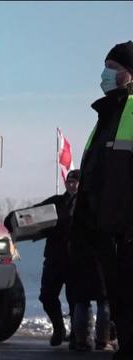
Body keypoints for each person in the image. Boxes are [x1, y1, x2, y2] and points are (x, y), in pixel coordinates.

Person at [70, 41, 133, 360]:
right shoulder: (106, 115)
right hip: (106, 233)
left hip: (126, 231)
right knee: (119, 296)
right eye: (105, 66)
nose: (105, 73)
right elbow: (94, 178)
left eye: (113, 67)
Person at [9, 169, 79, 346]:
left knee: (76, 299)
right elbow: (35, 213)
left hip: (77, 260)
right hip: (55, 258)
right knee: (47, 296)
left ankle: (77, 334)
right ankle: (59, 329)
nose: (72, 185)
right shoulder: (57, 202)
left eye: (75, 182)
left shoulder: (87, 204)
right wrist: (14, 219)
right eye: (69, 182)